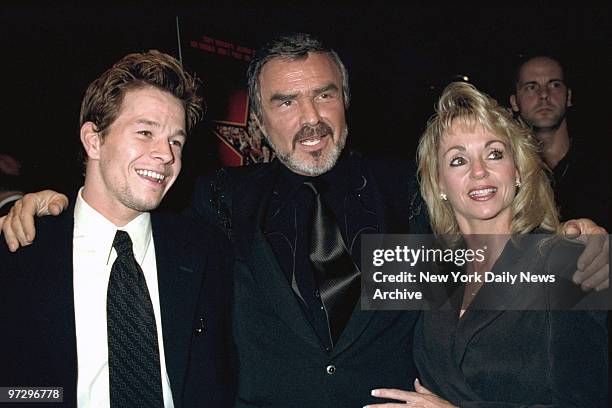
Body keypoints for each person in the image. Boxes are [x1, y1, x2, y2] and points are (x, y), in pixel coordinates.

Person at [0, 34, 608, 407]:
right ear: (258, 122)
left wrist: (579, 242)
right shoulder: (213, 203)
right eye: (285, 102)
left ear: (347, 101)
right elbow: (124, 194)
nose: (310, 117)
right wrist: (30, 202)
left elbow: (503, 256)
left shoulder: (415, 189)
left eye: (324, 94)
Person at [0, 50, 234, 407]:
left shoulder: (206, 253)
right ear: (94, 140)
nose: (166, 155)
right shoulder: (22, 250)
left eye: (176, 141)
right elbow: (12, 391)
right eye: (145, 132)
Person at [367, 82, 607, 407]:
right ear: (439, 184)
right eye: (457, 160)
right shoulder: (425, 265)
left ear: (518, 170)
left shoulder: (568, 260)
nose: (479, 171)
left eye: (494, 153)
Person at [510, 55, 609, 231]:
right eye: (531, 87)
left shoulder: (602, 167)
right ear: (514, 102)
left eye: (554, 84)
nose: (544, 95)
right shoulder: (506, 175)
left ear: (568, 96)